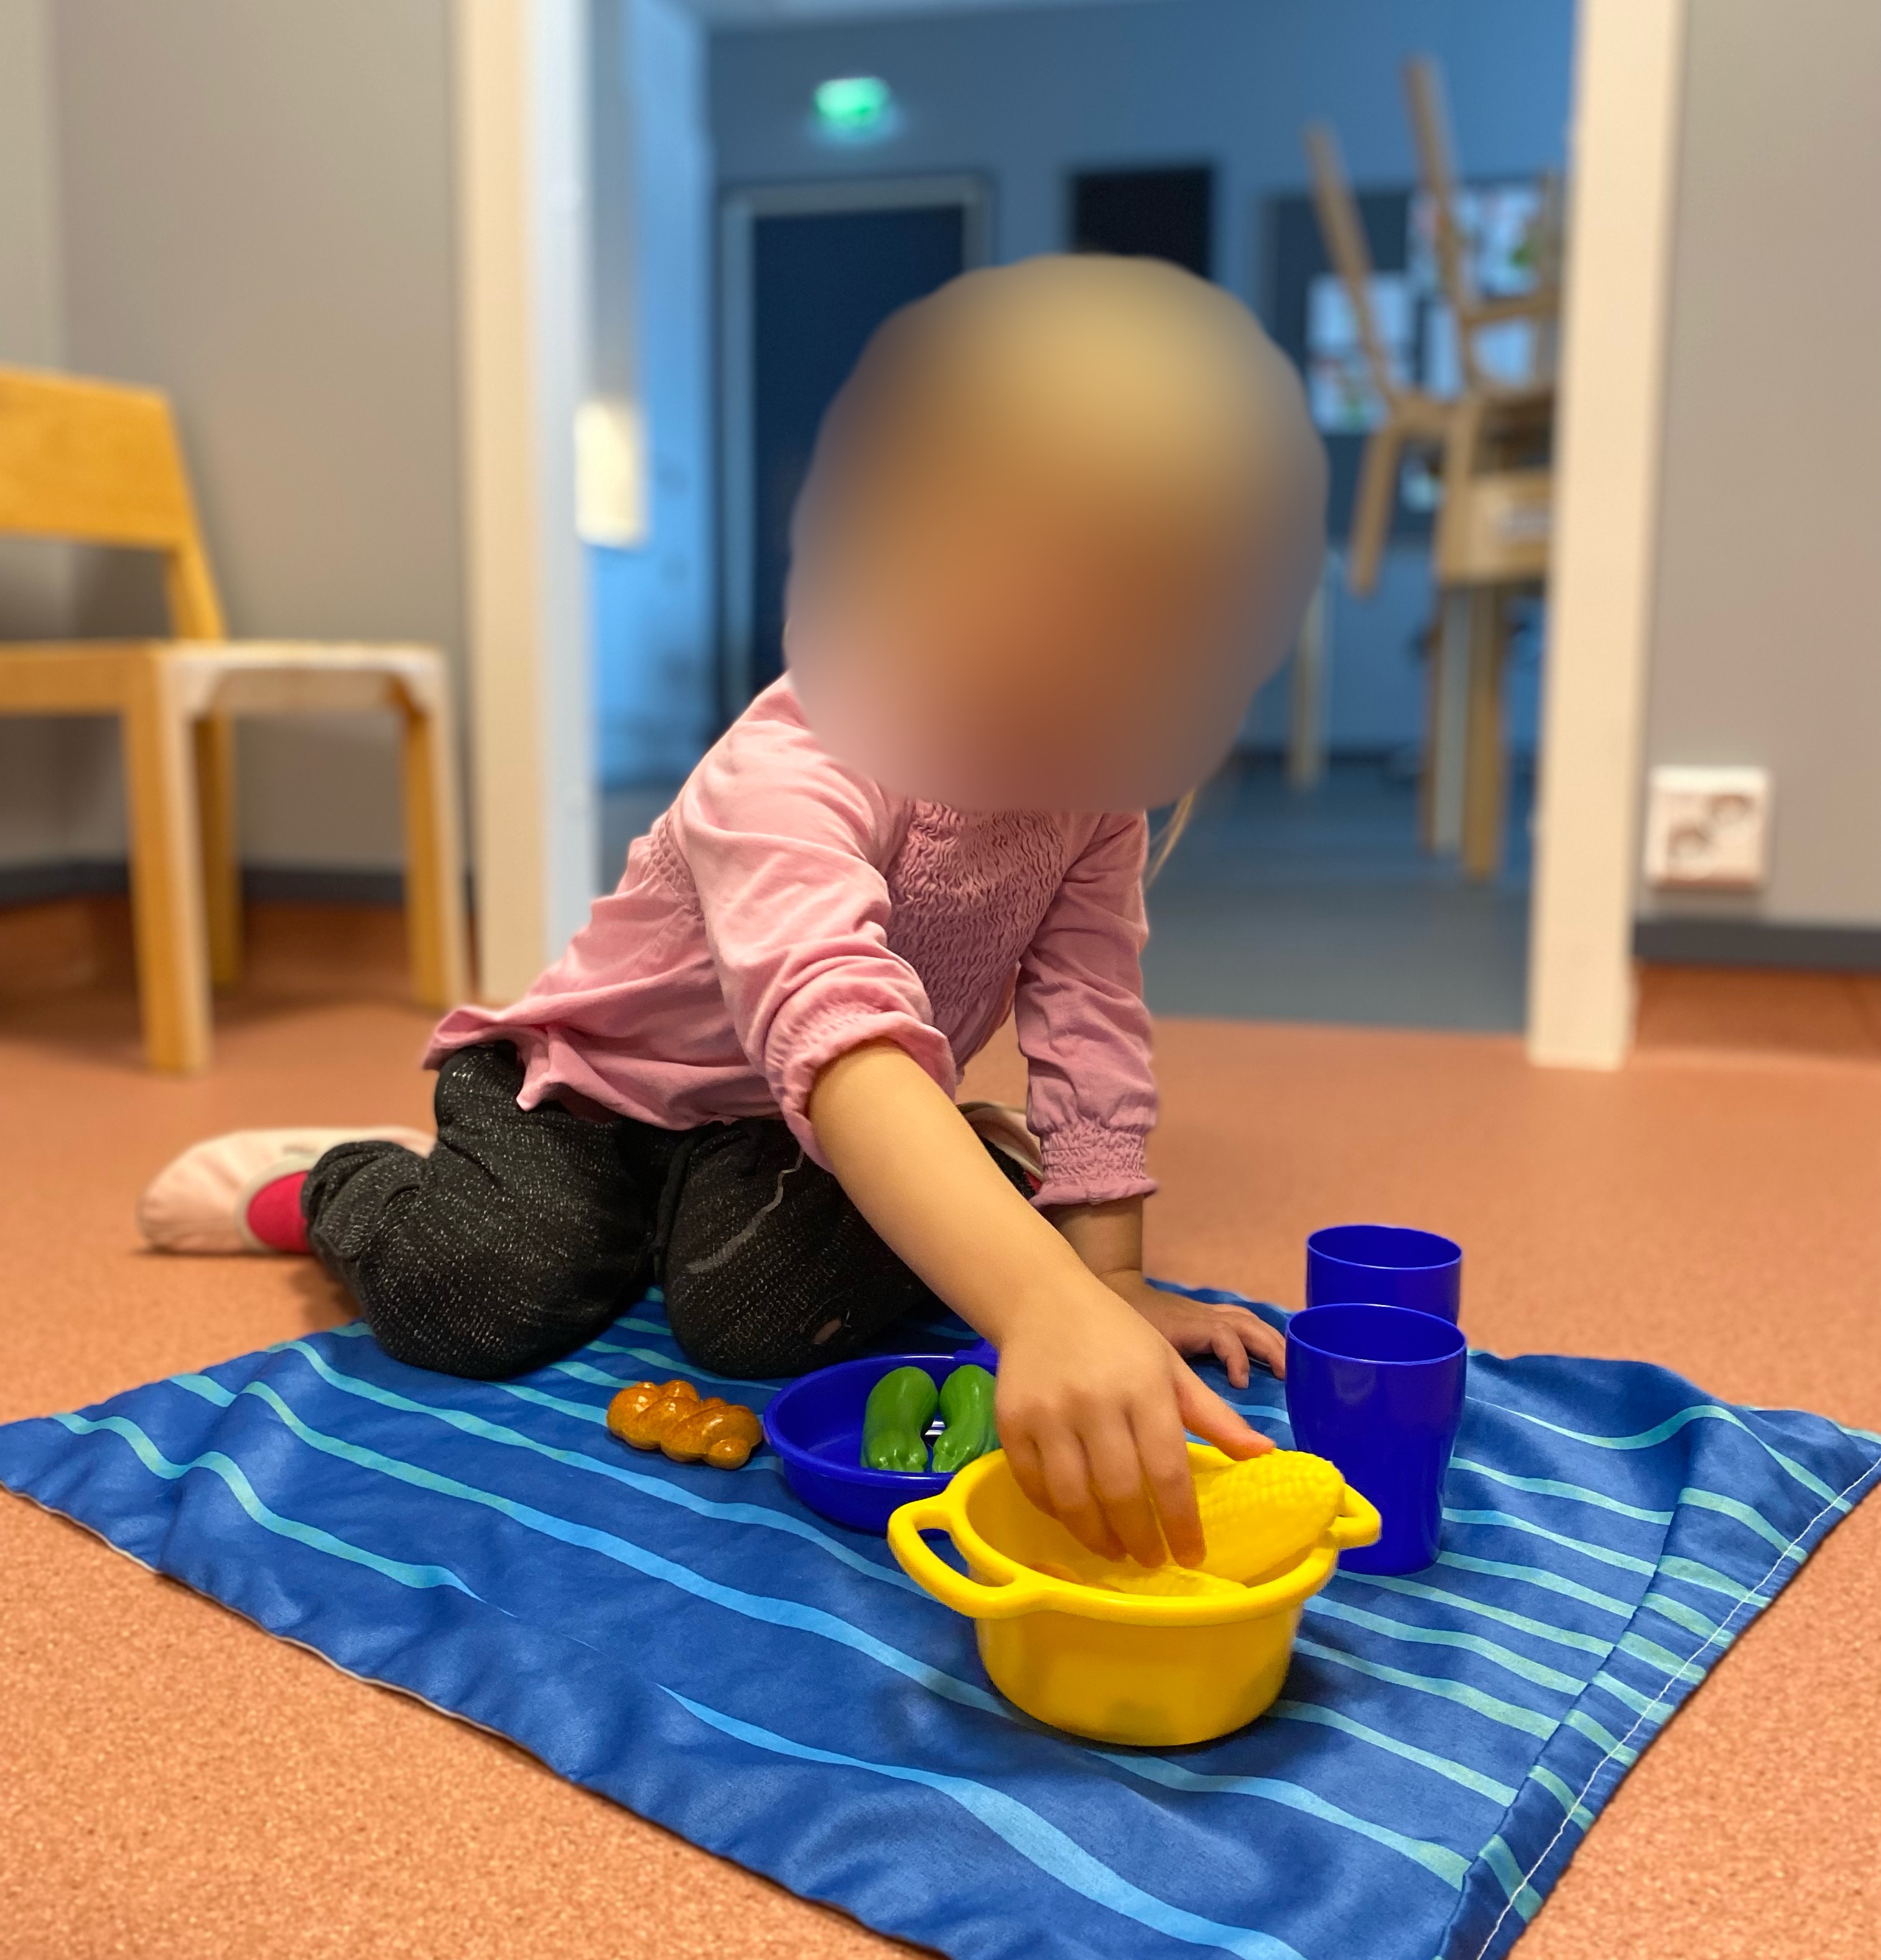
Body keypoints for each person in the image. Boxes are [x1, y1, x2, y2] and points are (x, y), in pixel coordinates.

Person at [140, 254, 1327, 1573]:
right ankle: (343, 1182)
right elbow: (837, 1027)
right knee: (476, 1298)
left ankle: (859, 1189)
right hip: (593, 1098)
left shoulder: (1095, 789)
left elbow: (1091, 1014)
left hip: (774, 1128)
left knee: (764, 1325)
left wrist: (1106, 1284)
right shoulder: (802, 751)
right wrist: (1038, 1299)